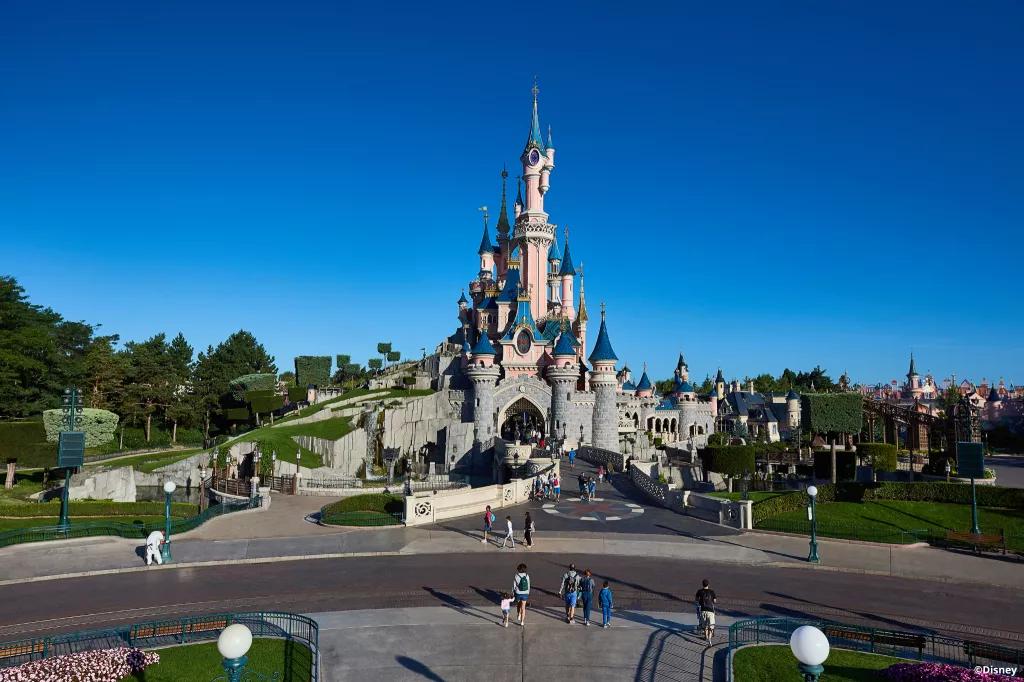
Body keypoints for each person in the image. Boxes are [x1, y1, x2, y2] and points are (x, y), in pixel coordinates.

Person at [695, 578, 717, 645]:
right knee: (711, 625)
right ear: (708, 584)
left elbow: (696, 599)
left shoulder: (699, 591)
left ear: (702, 584)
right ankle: (709, 639)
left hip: (703, 610)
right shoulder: (712, 591)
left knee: (705, 626)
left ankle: (706, 637)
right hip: (710, 610)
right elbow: (715, 601)